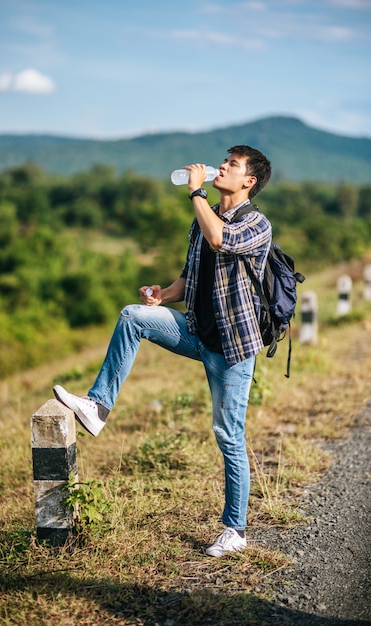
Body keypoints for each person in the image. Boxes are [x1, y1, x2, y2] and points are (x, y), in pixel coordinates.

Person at [53, 145, 272, 557]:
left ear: (249, 181)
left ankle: (235, 530)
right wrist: (161, 295)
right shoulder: (202, 218)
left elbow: (219, 239)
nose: (220, 167)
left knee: (228, 434)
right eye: (222, 161)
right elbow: (189, 277)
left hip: (233, 348)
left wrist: (195, 194)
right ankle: (97, 407)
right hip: (197, 332)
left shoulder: (256, 223)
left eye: (232, 165)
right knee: (133, 315)